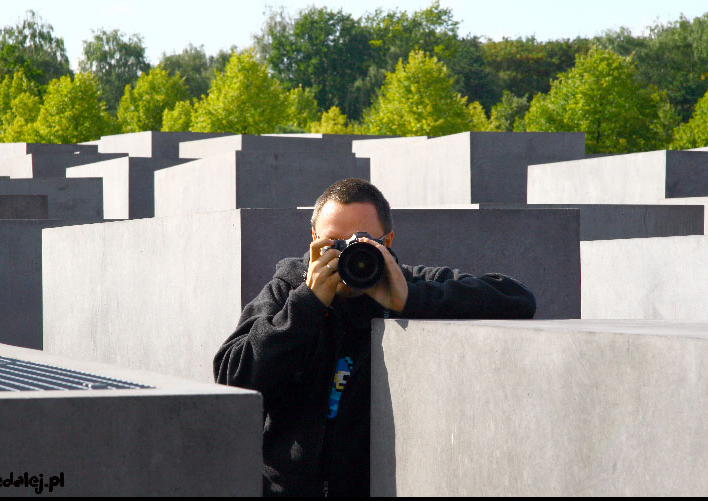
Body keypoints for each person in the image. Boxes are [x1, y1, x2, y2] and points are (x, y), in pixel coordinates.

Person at [213, 178, 536, 497]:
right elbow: (232, 377)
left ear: (388, 241)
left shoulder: (407, 284)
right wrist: (306, 305)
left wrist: (410, 300)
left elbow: (517, 298)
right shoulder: (288, 290)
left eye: (362, 242)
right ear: (313, 238)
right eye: (334, 243)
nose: (346, 255)